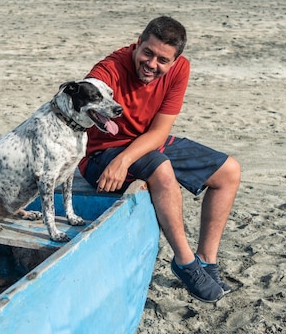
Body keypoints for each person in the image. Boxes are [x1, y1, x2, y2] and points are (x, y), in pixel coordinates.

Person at [78, 16, 241, 303]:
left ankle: (206, 262)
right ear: (138, 43)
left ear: (175, 61)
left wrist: (126, 159)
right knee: (162, 170)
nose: (152, 64)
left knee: (229, 171)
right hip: (102, 153)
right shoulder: (108, 70)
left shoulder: (180, 70)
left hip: (145, 143)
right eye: (147, 53)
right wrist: (118, 161)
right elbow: (71, 99)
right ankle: (185, 263)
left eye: (162, 60)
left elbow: (160, 131)